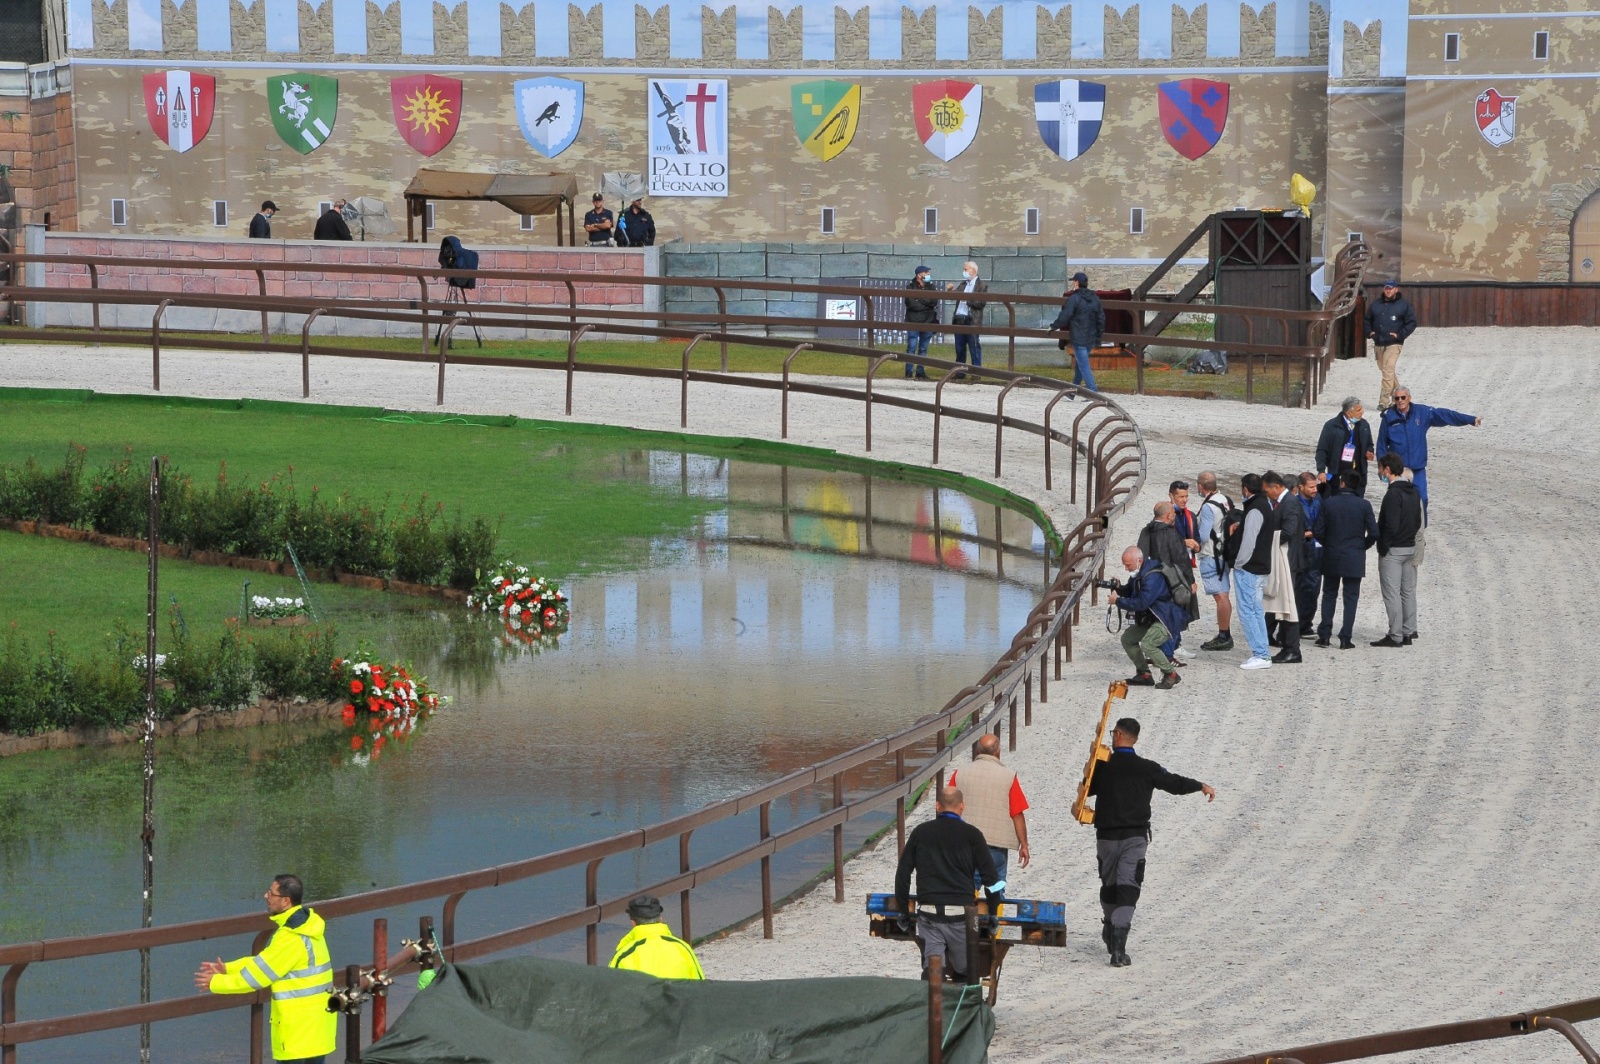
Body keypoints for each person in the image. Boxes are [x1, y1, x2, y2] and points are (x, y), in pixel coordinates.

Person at [1086, 717, 1215, 967]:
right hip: (1134, 837)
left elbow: (1086, 789)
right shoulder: (1147, 767)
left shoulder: (1103, 767)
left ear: (1119, 735)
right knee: (1128, 887)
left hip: (1106, 837)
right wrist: (1200, 786)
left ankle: (1111, 928)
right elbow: (1174, 784)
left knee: (1110, 885)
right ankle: (1119, 949)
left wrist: (1093, 765)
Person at [193, 874, 336, 1063]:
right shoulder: (308, 925)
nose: (265, 896)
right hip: (318, 1025)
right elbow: (268, 962)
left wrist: (215, 982)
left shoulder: (289, 938)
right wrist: (228, 968)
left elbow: (254, 979)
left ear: (286, 901)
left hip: (297, 1031)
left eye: (271, 893)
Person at [893, 786, 1004, 982]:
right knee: (965, 970)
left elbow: (903, 873)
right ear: (962, 807)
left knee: (933, 967)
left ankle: (933, 1000)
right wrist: (994, 912)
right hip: (961, 916)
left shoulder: (921, 833)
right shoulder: (973, 835)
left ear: (937, 806)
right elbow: (991, 880)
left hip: (929, 914)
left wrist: (903, 910)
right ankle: (963, 1005)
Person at [1376, 386, 1482, 514]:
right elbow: (1381, 444)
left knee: (1422, 500)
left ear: (1409, 398)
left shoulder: (1422, 412)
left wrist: (1470, 420)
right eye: (1397, 398)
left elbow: (1445, 415)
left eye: (1403, 397)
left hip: (1418, 468)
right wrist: (1382, 468)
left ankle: (1419, 532)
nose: (1400, 400)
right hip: (1398, 470)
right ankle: (1400, 532)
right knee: (1397, 503)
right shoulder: (1389, 417)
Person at [946, 734, 1030, 886]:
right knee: (996, 886)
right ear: (998, 751)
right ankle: (995, 907)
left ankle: (970, 907)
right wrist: (1024, 845)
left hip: (965, 844)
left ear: (977, 751)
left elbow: (947, 807)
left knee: (968, 887)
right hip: (996, 846)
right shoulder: (1008, 776)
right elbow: (1017, 814)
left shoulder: (960, 773)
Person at [1312, 471, 1377, 649]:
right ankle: (1345, 637)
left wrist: (1328, 543)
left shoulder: (1329, 503)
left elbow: (1318, 531)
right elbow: (1374, 533)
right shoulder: (1364, 505)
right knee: (1351, 597)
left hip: (1332, 553)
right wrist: (1362, 546)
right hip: (1354, 556)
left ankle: (1325, 634)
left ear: (1342, 483)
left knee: (1329, 594)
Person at [1108, 546, 1184, 690]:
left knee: (1148, 644)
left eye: (1128, 565)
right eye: (1124, 565)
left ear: (1139, 560)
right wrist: (1118, 587)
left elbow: (1141, 603)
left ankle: (1171, 674)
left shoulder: (1152, 577)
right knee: (1128, 639)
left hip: (1165, 619)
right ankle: (1144, 674)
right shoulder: (1140, 574)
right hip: (1151, 618)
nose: (1126, 569)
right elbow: (1132, 592)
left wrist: (1117, 601)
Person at [1372, 453, 1423, 647]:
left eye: (1380, 469)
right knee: (1407, 591)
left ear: (1387, 469)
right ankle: (1409, 631)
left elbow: (1390, 524)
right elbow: (1417, 521)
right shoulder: (1414, 491)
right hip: (1409, 546)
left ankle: (1395, 634)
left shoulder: (1393, 493)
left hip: (1394, 549)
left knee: (1391, 593)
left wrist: (1383, 546)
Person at [1135, 501, 1198, 657]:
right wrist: (1190, 581)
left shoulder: (1145, 531)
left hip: (1150, 581)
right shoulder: (1171, 533)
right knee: (1172, 614)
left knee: (1156, 614)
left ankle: (1169, 647)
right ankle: (1169, 652)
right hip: (1172, 583)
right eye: (1173, 514)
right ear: (1169, 515)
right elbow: (1181, 559)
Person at [1260, 471, 1304, 663]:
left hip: (1288, 560)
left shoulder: (1291, 503)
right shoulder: (1283, 502)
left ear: (1275, 487)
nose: (1266, 494)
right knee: (1281, 605)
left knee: (1287, 606)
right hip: (1283, 558)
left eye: (1266, 490)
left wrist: (1266, 538)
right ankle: (1287, 646)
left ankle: (1292, 649)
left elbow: (1288, 531)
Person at [608, 895, 705, 979]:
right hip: (677, 1000)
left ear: (633, 922)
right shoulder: (683, 948)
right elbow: (700, 987)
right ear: (661, 919)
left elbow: (610, 992)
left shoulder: (624, 955)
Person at [1194, 471, 1235, 651]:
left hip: (1211, 555)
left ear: (1200, 486)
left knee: (1221, 596)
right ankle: (1225, 633)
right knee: (1223, 595)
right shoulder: (1224, 499)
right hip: (1224, 554)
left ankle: (1224, 634)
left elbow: (1203, 535)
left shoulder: (1208, 507)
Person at [1048, 271, 1105, 391]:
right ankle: (1072, 393)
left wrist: (1053, 326)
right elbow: (1101, 318)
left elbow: (1066, 315)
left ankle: (1093, 391)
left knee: (1083, 366)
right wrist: (1099, 336)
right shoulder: (1095, 298)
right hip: (1091, 337)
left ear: (1077, 283)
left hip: (1079, 337)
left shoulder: (1074, 298)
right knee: (1080, 365)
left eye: (1074, 281)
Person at [1365, 280, 1417, 411]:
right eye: (1386, 288)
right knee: (1386, 371)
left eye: (1390, 288)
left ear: (1396, 289)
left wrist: (1400, 335)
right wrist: (1370, 333)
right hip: (1378, 342)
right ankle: (1401, 397)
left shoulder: (1403, 305)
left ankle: (1384, 401)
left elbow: (1411, 322)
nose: (1388, 291)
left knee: (1388, 370)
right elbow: (1367, 320)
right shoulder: (1376, 304)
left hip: (1394, 343)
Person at [1315, 397, 1376, 496]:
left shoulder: (1364, 425)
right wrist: (1321, 470)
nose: (1362, 412)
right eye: (1358, 410)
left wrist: (1370, 451)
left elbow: (1369, 443)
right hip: (1338, 473)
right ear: (1349, 413)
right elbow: (1322, 449)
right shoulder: (1331, 426)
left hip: (1359, 473)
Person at [1294, 472, 1323, 637]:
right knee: (1299, 589)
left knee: (1313, 590)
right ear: (1301, 487)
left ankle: (1306, 624)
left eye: (1315, 486)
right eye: (1311, 487)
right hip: (1300, 552)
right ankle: (1296, 624)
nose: (1314, 490)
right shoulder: (1295, 504)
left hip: (1316, 552)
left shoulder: (1319, 501)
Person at [945, 261, 987, 377]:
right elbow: (954, 296)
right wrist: (950, 291)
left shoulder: (981, 285)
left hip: (971, 319)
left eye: (965, 269)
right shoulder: (963, 284)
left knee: (974, 346)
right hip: (959, 318)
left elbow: (981, 303)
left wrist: (967, 301)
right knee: (959, 347)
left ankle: (976, 372)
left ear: (973, 270)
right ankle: (960, 372)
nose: (964, 272)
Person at [903, 265, 938, 379]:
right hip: (913, 321)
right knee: (911, 347)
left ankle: (920, 371)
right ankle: (908, 372)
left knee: (923, 348)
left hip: (928, 321)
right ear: (919, 275)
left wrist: (919, 298)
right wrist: (925, 304)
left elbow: (933, 301)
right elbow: (911, 303)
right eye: (926, 272)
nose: (928, 274)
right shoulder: (910, 287)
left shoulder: (931, 287)